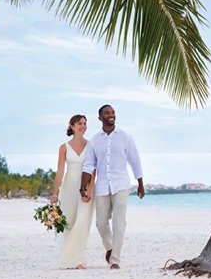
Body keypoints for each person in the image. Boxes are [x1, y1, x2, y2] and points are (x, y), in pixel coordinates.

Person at [80, 104, 145, 270]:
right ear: (100, 118)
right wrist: (83, 187)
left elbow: (135, 160)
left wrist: (140, 183)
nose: (111, 115)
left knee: (119, 222)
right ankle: (110, 247)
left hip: (121, 184)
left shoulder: (125, 137)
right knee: (101, 223)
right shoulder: (95, 141)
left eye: (113, 112)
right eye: (107, 113)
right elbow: (88, 165)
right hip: (102, 186)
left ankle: (115, 259)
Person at [50, 114, 95, 269]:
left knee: (82, 222)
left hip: (85, 187)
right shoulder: (64, 147)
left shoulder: (91, 145)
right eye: (79, 123)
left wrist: (88, 190)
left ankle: (79, 260)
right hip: (69, 185)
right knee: (68, 221)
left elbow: (94, 170)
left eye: (84, 123)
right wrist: (55, 193)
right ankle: (70, 259)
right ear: (72, 126)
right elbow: (60, 171)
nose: (83, 126)